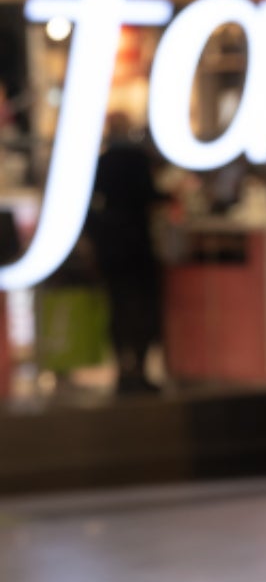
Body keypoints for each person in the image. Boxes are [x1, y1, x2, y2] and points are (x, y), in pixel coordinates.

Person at [87, 112, 169, 395]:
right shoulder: (138, 160)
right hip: (136, 242)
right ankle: (139, 369)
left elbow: (90, 203)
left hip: (112, 244)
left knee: (119, 306)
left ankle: (125, 370)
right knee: (143, 306)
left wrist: (96, 234)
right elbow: (148, 195)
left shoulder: (102, 162)